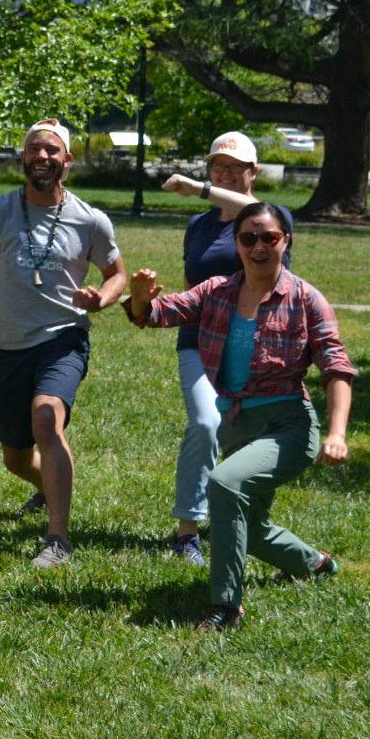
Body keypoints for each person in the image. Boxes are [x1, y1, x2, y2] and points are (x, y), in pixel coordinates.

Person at [127, 201, 353, 632]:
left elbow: (336, 368)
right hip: (237, 425)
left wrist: (337, 433)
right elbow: (156, 314)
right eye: (249, 237)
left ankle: (226, 607)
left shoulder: (306, 299)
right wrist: (139, 299)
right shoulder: (216, 292)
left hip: (288, 425)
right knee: (248, 524)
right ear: (237, 244)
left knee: (224, 484)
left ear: (285, 241)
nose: (259, 246)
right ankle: (315, 565)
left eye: (269, 237)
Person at [0, 119, 126, 568]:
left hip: (64, 338)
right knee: (16, 458)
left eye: (52, 151)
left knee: (47, 418)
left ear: (68, 161)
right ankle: (47, 488)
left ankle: (57, 538)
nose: (43, 157)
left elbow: (117, 274)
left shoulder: (90, 220)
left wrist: (101, 298)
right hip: (8, 347)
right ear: (23, 158)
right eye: (34, 150)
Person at [155, 131, 292, 565]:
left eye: (236, 167)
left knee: (249, 435)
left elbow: (251, 214)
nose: (227, 173)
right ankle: (187, 531)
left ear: (254, 172)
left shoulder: (270, 220)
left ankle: (243, 521)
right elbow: (192, 287)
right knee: (204, 423)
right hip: (199, 342)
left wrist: (197, 188)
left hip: (257, 344)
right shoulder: (198, 227)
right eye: (218, 166)